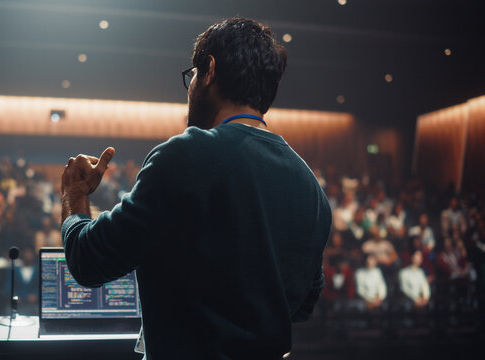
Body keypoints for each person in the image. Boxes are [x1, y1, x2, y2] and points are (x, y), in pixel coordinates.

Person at [59, 18, 330, 359]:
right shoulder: (312, 189)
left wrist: (74, 195)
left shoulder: (186, 154)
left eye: (191, 76)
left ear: (209, 70)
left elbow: (88, 260)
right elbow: (304, 305)